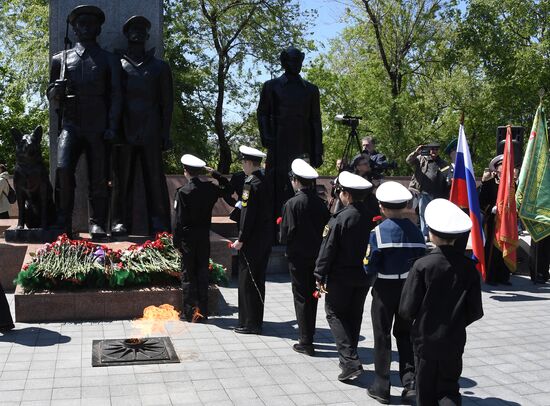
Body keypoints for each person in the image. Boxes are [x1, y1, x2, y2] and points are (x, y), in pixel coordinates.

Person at [399, 198, 484, 406]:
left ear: (431, 234)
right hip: (454, 338)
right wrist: (455, 322)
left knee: (425, 388)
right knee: (449, 387)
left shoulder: (423, 265)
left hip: (425, 339)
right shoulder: (468, 268)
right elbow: (475, 311)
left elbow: (406, 308)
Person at [48, 5, 122, 238]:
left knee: (99, 177)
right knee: (62, 169)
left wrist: (112, 126)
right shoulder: (60, 59)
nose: (86, 28)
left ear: (99, 28)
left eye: (91, 24)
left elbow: (116, 95)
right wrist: (55, 91)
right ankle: (63, 220)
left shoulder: (109, 59)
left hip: (98, 126)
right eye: (81, 23)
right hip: (71, 124)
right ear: (74, 28)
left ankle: (97, 222)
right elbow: (50, 94)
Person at [111, 15, 174, 236]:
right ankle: (119, 221)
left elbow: (167, 103)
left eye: (141, 29)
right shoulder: (116, 64)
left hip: (151, 131)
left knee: (154, 179)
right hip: (124, 131)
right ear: (126, 34)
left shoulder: (159, 67)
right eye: (132, 29)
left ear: (147, 35)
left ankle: (159, 222)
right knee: (122, 180)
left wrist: (165, 132)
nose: (137, 32)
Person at [366, 181, 426, 404]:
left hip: (384, 289)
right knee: (405, 335)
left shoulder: (378, 232)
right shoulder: (417, 232)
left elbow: (369, 265)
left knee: (382, 336)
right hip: (408, 289)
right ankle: (409, 382)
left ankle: (382, 386)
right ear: (405, 206)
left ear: (381, 206)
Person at [314, 171, 374, 381]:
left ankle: (349, 362)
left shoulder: (340, 218)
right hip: (364, 276)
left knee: (334, 314)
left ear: (346, 194)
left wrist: (319, 274)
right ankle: (350, 356)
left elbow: (328, 249)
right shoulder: (369, 217)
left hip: (341, 276)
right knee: (353, 315)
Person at [257, 46, 323, 219]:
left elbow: (315, 121)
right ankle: (275, 229)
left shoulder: (311, 89)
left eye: (299, 61)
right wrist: (267, 137)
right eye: (293, 61)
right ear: (284, 62)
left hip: (302, 144)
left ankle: (303, 227)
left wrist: (317, 151)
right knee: (276, 186)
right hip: (279, 144)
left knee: (304, 186)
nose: (296, 65)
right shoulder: (271, 86)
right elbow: (263, 113)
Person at [280, 159, 330, 356]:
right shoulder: (321, 203)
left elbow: (285, 235)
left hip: (298, 257)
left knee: (301, 297)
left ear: (296, 181)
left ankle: (305, 340)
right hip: (317, 257)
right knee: (312, 296)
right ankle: (310, 332)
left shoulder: (292, 203)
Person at [173, 154, 231, 322]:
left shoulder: (183, 192)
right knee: (202, 274)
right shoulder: (210, 189)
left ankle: (190, 313)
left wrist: (176, 242)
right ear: (200, 171)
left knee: (188, 275)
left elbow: (178, 221)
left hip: (188, 240)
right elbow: (228, 189)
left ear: (186, 171)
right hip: (204, 237)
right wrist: (216, 174)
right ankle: (203, 312)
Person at [231, 146, 273, 334]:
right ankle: (256, 320)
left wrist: (241, 238)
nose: (243, 165)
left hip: (252, 241)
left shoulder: (250, 183)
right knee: (258, 280)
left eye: (243, 162)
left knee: (247, 281)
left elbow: (247, 215)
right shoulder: (265, 180)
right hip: (264, 238)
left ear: (248, 163)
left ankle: (249, 323)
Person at [479, 155, 511, 285]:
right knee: (492, 249)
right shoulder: (489, 183)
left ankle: (503, 277)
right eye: (501, 166)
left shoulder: (512, 184)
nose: (504, 169)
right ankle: (490, 276)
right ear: (496, 169)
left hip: (507, 221)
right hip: (493, 220)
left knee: (505, 247)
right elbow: (481, 202)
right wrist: (490, 208)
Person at [406, 143, 449, 239]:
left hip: (437, 194)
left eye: (436, 149)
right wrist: (416, 152)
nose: (434, 151)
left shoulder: (443, 163)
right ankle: (425, 235)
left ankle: (434, 234)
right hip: (424, 193)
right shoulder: (421, 159)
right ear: (429, 150)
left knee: (435, 215)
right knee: (423, 213)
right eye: (432, 149)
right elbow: (408, 160)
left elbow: (447, 177)